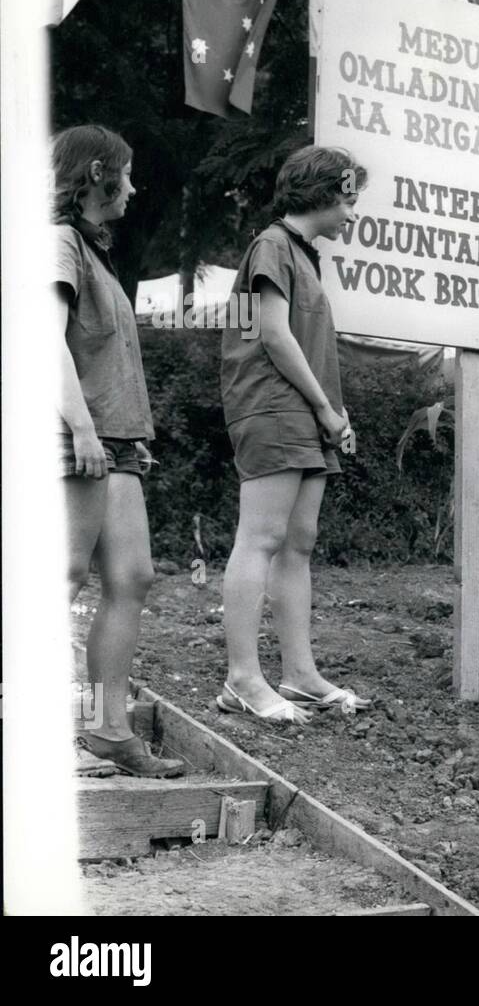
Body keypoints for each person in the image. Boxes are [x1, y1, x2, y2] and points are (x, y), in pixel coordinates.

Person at [217, 146, 371, 724]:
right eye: (351, 196)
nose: (353, 211)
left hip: (306, 416)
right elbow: (276, 337)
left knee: (298, 542)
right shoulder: (273, 245)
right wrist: (326, 408)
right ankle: (242, 680)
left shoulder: (305, 257)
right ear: (325, 191)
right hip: (274, 409)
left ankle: (299, 675)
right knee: (259, 538)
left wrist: (333, 411)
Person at [54, 125, 183, 777]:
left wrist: (128, 436)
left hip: (117, 446)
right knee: (61, 582)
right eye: (126, 175)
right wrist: (79, 428)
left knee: (131, 579)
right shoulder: (60, 244)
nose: (134, 187)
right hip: (75, 438)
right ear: (95, 178)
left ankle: (107, 731)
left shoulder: (97, 257)